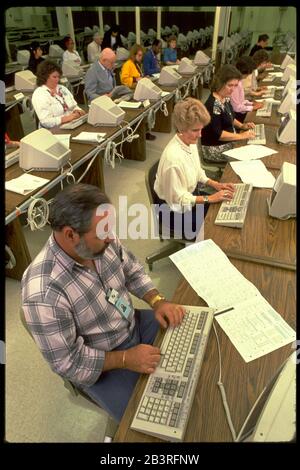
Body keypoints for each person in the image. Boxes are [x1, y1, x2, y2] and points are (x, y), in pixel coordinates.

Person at [21, 183, 185, 423]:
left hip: (133, 323)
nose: (111, 236)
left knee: (192, 332)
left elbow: (131, 269)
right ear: (70, 234)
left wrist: (157, 300)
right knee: (156, 420)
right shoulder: (43, 294)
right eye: (102, 232)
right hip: (103, 361)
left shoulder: (101, 239)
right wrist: (126, 359)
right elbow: (68, 362)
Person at [154, 98, 235, 239]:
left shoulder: (189, 142)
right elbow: (178, 201)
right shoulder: (173, 160)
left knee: (225, 209)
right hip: (174, 211)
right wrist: (209, 198)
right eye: (195, 130)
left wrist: (215, 184)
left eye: (201, 129)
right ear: (181, 128)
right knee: (219, 227)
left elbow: (197, 172)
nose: (200, 134)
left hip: (189, 197)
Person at [201, 65, 256, 163]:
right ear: (220, 83)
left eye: (235, 85)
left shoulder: (224, 97)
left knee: (252, 148)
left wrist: (242, 126)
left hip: (226, 141)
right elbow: (219, 134)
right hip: (215, 149)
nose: (233, 89)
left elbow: (230, 117)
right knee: (251, 156)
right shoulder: (214, 106)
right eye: (230, 85)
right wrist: (241, 136)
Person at [32, 60, 86, 128]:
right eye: (54, 77)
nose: (57, 80)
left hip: (72, 123)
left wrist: (77, 110)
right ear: (44, 77)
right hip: (53, 130)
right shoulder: (39, 94)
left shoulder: (62, 88)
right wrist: (66, 118)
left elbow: (74, 105)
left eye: (58, 77)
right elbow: (45, 121)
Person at [231, 56, 264, 123]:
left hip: (240, 111)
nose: (250, 74)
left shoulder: (239, 81)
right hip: (237, 116)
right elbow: (236, 107)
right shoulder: (235, 84)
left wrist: (252, 104)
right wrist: (252, 108)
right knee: (257, 120)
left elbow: (241, 101)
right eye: (250, 72)